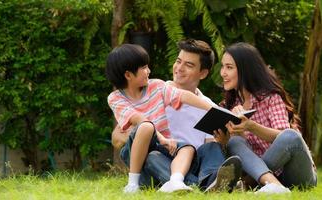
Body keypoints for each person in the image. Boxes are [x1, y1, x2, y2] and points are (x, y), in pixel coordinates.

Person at [110, 40, 242, 193]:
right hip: (160, 157)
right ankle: (203, 187)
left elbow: (211, 146)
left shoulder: (207, 105)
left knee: (211, 147)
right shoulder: (155, 92)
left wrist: (223, 141)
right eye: (178, 61)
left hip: (191, 161)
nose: (179, 68)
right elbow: (118, 138)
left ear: (203, 73)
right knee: (154, 157)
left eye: (189, 65)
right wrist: (148, 137)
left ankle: (212, 181)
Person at [215, 42, 317, 194]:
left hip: (294, 173)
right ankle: (274, 185)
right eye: (223, 66)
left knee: (290, 135)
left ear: (245, 70)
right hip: (261, 176)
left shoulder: (270, 98)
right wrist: (226, 141)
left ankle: (255, 183)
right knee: (235, 142)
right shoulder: (228, 107)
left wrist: (251, 126)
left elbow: (285, 139)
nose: (223, 73)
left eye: (229, 67)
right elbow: (238, 155)